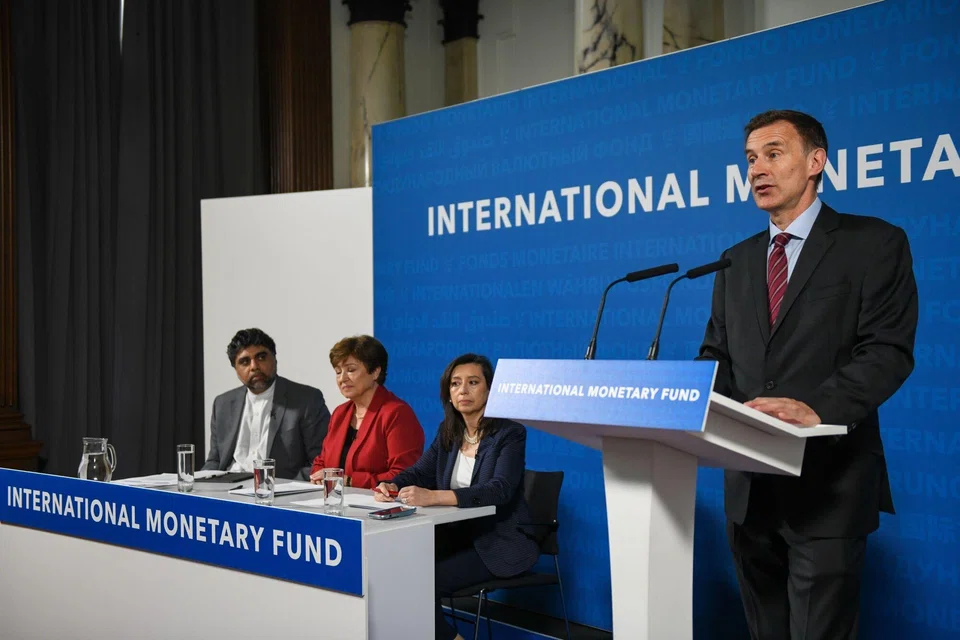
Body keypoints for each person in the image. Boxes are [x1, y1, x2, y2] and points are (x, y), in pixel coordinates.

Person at [697, 109, 918, 639]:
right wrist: (691, 402)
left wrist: (818, 407)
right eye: (751, 158)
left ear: (816, 160)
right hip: (749, 492)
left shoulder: (874, 243)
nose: (757, 170)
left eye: (773, 154)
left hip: (829, 487)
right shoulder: (736, 261)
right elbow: (716, 355)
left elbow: (887, 350)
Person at [374, 353, 540, 640]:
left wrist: (434, 497)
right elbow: (420, 472)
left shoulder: (510, 434)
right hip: (455, 536)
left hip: (498, 541)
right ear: (448, 394)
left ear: (490, 389)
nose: (463, 390)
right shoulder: (449, 431)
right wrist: (391, 484)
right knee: (392, 569)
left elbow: (498, 490)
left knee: (423, 582)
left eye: (473, 382)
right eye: (455, 384)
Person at [203, 328, 331, 481]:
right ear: (236, 369)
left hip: (278, 490)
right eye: (244, 362)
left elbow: (321, 461)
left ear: (275, 359)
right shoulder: (222, 404)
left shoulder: (307, 400)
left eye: (261, 357)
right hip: (228, 489)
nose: (254, 366)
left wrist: (284, 487)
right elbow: (215, 461)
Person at [308, 335, 424, 489]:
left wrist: (350, 481)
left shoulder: (397, 413)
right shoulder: (340, 413)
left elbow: (404, 474)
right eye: (337, 372)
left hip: (379, 506)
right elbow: (322, 461)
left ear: (375, 372)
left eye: (351, 370)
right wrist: (318, 476)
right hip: (334, 503)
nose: (342, 378)